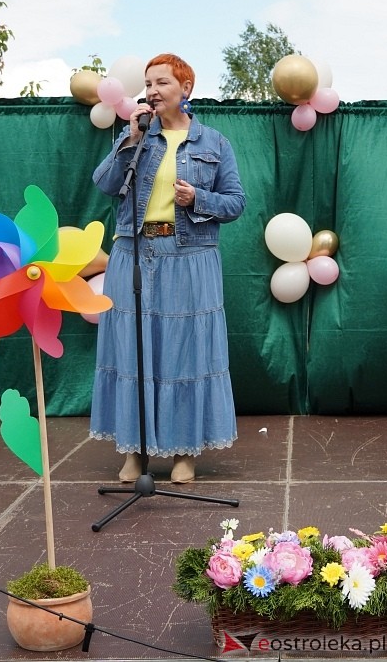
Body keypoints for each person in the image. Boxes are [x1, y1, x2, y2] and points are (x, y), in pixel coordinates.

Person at [86, 53, 245, 484]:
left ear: (186, 89)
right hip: (134, 252)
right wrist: (131, 137)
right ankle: (135, 452)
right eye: (148, 83)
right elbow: (104, 183)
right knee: (133, 349)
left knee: (185, 353)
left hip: (190, 254)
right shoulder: (136, 134)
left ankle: (183, 452)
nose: (152, 91)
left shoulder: (214, 143)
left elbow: (236, 202)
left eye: (162, 83)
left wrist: (199, 200)